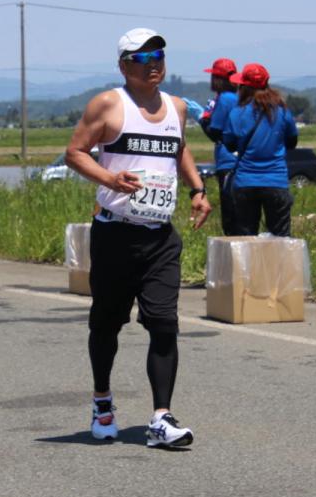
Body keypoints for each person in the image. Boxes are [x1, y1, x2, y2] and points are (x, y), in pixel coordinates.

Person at [65, 27, 211, 449]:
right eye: (144, 59)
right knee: (107, 324)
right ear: (124, 65)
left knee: (164, 323)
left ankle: (161, 418)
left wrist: (197, 190)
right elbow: (75, 152)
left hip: (160, 237)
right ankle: (102, 401)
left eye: (160, 56)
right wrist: (110, 177)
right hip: (115, 235)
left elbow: (178, 147)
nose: (155, 66)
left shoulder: (176, 107)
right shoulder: (110, 104)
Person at [221, 63, 299, 237]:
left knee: (246, 237)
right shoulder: (282, 111)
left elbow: (229, 144)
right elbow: (292, 141)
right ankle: (279, 265)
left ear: (244, 87)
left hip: (245, 181)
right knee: (280, 238)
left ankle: (248, 266)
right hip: (276, 180)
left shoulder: (237, 113)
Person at [196, 58, 240, 235]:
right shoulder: (236, 97)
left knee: (230, 216)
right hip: (237, 160)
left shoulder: (224, 99)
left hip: (227, 161)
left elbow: (215, 132)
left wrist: (202, 119)